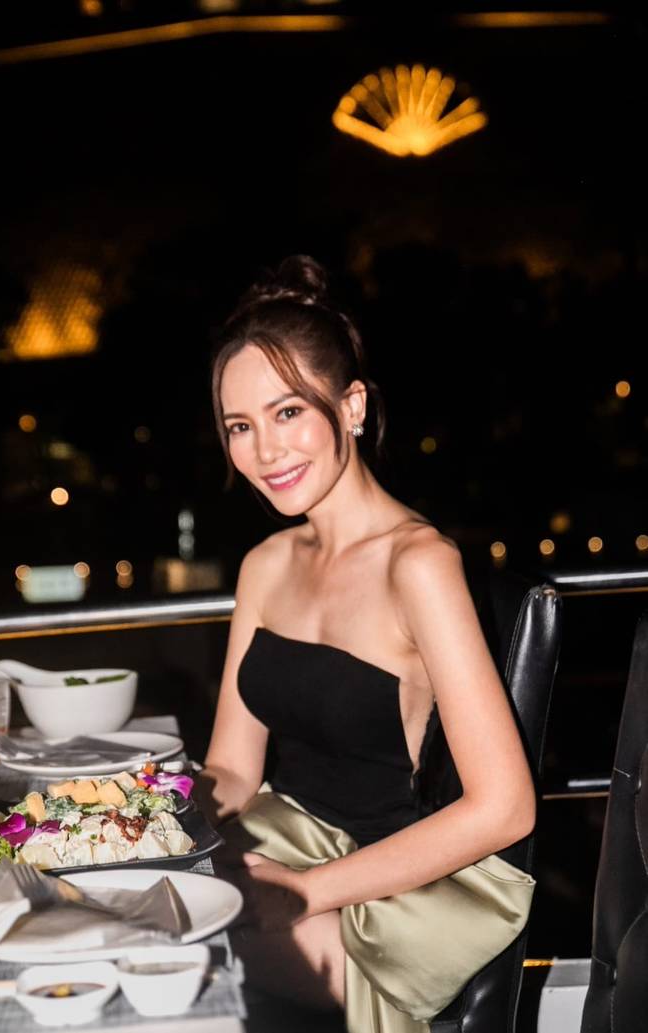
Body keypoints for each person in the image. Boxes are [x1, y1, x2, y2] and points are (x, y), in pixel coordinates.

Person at [198, 255, 537, 1033]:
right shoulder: (265, 565)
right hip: (287, 837)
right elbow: (234, 768)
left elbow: (506, 807)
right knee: (121, 904)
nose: (265, 450)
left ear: (351, 406)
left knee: (184, 949)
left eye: (288, 411)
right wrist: (143, 820)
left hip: (399, 887)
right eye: (240, 427)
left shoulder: (419, 564)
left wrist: (306, 890)